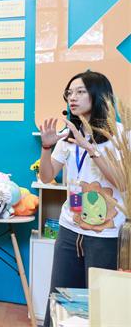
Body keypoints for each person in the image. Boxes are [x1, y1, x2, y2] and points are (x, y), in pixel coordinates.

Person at [39, 71, 125, 327]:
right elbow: (46, 177)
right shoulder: (68, 136)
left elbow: (123, 182)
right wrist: (46, 148)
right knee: (62, 300)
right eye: (69, 93)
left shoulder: (120, 135)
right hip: (69, 229)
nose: (72, 98)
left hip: (105, 236)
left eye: (80, 92)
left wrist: (90, 148)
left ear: (98, 94)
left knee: (101, 304)